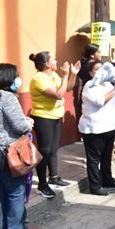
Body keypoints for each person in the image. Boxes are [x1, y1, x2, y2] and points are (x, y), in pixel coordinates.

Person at [0, 63, 34, 229]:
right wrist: (28, 122)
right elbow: (20, 127)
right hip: (7, 153)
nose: (18, 79)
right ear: (8, 78)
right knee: (15, 194)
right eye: (16, 75)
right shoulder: (7, 97)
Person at [29, 51, 80, 198]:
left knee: (53, 149)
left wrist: (73, 74)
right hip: (43, 117)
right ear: (47, 64)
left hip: (56, 116)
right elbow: (58, 94)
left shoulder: (54, 75)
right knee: (45, 150)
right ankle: (42, 185)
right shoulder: (39, 79)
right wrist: (65, 75)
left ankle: (54, 177)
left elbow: (67, 88)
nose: (57, 61)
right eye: (54, 60)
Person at [78, 61, 115, 196]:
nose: (100, 71)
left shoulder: (108, 83)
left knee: (106, 157)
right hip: (94, 129)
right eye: (97, 69)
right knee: (94, 159)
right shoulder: (89, 86)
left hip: (109, 127)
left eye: (102, 68)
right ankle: (95, 186)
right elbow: (100, 101)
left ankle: (107, 179)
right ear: (91, 73)